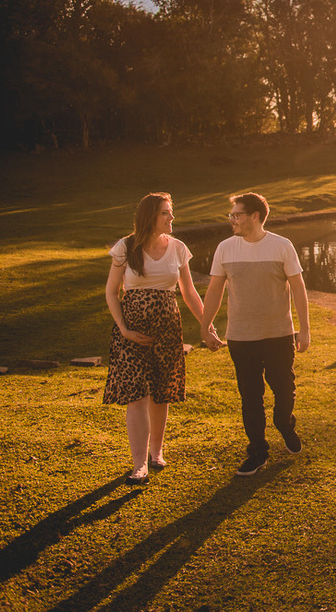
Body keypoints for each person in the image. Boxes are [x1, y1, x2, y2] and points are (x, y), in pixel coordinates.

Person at [104, 192, 217, 486]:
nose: (172, 218)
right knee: (137, 396)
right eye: (166, 213)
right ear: (150, 216)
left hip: (167, 331)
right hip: (131, 333)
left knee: (161, 392)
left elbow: (189, 292)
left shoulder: (178, 248)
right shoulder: (126, 247)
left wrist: (207, 325)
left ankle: (157, 452)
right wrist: (124, 329)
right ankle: (139, 464)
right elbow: (111, 292)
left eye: (171, 212)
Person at [201, 192, 310, 477]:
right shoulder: (225, 248)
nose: (232, 220)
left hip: (279, 334)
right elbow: (214, 290)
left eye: (236, 215)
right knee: (251, 397)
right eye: (231, 215)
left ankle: (284, 423)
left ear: (255, 217)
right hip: (241, 336)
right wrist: (205, 325)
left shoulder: (281, 246)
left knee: (283, 389)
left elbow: (298, 288)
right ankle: (258, 452)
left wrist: (305, 330)